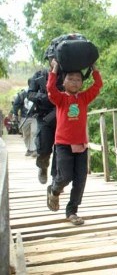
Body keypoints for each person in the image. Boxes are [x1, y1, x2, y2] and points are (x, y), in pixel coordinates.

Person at [45, 59, 103, 226]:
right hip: (63, 144)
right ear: (63, 81)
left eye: (78, 79)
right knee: (64, 176)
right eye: (70, 78)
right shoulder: (60, 99)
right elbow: (50, 88)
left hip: (81, 145)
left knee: (80, 180)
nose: (75, 82)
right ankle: (54, 190)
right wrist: (55, 69)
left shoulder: (84, 98)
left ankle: (72, 211)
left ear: (81, 83)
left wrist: (94, 68)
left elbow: (98, 85)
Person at [27, 52, 64, 184]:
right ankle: (43, 167)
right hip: (44, 117)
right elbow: (30, 94)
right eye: (51, 58)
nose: (54, 60)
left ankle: (56, 177)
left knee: (61, 149)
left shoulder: (65, 75)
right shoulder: (39, 75)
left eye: (56, 58)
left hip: (61, 115)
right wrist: (42, 97)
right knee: (44, 147)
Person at [12, 89, 38, 157]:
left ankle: (34, 149)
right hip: (24, 117)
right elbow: (16, 104)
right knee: (26, 134)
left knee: (34, 132)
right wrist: (15, 114)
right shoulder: (22, 94)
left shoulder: (38, 92)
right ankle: (29, 149)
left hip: (35, 117)